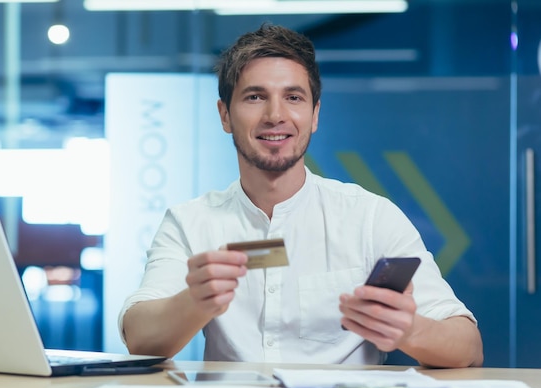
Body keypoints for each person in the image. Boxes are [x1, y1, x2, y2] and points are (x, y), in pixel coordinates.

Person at [119, 23, 483, 368]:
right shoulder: (189, 222)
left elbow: (468, 346)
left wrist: (410, 330)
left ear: (314, 115)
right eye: (255, 96)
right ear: (225, 115)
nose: (275, 115)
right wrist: (193, 302)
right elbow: (139, 337)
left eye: (293, 97)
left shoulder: (370, 217)